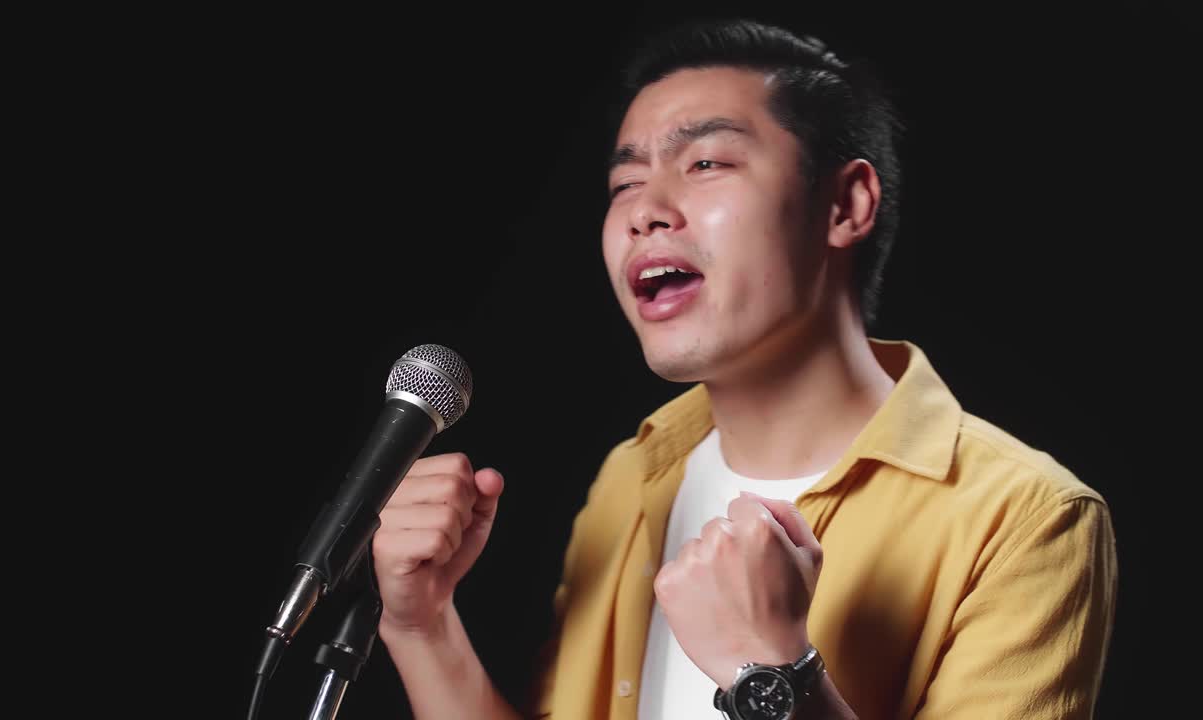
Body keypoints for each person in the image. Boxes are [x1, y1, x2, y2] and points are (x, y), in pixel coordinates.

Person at [370, 17, 1118, 720]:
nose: (645, 212)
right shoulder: (631, 479)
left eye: (705, 162)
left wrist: (775, 671)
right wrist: (422, 624)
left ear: (846, 205)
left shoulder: (1027, 519)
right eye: (624, 184)